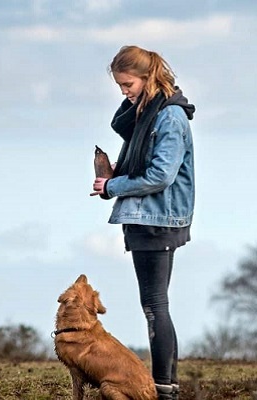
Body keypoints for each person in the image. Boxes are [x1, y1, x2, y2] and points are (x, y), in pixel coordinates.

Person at [90, 45, 195, 400]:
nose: (124, 91)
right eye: (120, 86)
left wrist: (112, 186)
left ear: (148, 77)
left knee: (155, 306)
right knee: (155, 304)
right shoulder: (148, 113)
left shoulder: (169, 117)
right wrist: (117, 174)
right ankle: (166, 387)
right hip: (149, 217)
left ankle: (164, 390)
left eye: (127, 84)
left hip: (157, 219)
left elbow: (161, 175)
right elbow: (148, 165)